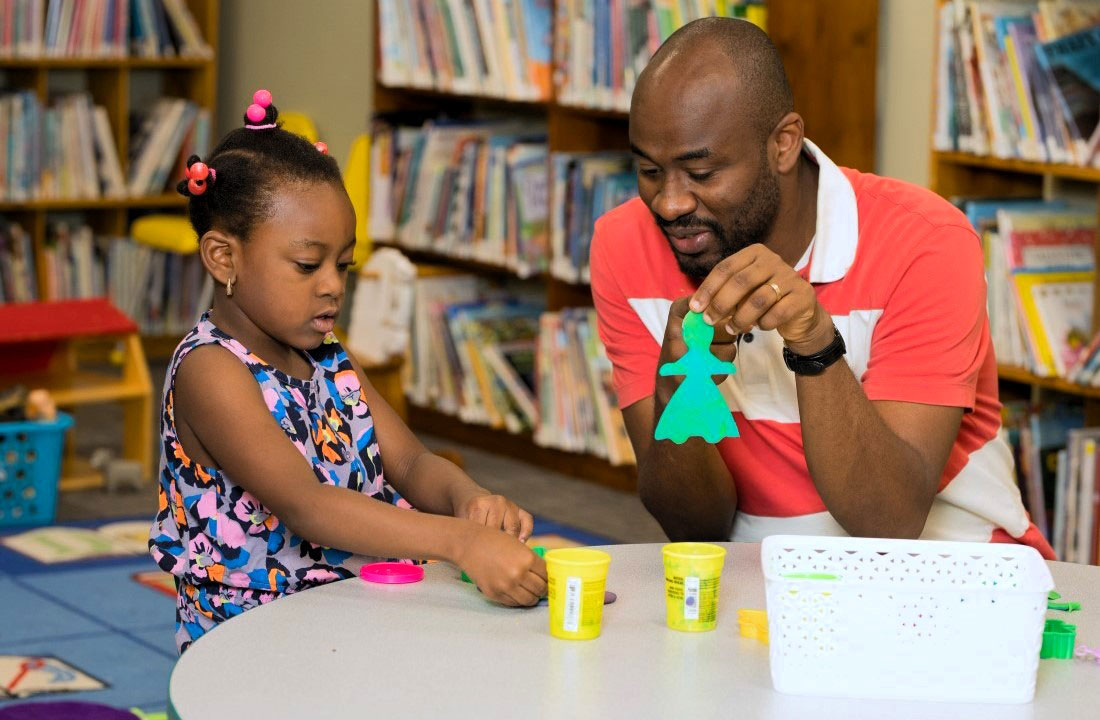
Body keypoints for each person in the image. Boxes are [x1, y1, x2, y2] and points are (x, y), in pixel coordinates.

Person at [589, 18, 1054, 558]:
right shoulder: (623, 245)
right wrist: (680, 385)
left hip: (949, 565)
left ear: (783, 144)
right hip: (755, 579)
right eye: (649, 171)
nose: (669, 203)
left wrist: (814, 344)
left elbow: (889, 521)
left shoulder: (927, 243)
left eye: (702, 173)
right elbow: (692, 525)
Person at [150, 90, 547, 653]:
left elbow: (408, 460)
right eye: (308, 266)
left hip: (359, 608)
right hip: (256, 642)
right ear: (223, 257)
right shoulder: (210, 369)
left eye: (344, 265)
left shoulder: (328, 354)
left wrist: (468, 498)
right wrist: (461, 542)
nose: (334, 285)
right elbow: (308, 506)